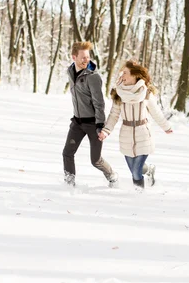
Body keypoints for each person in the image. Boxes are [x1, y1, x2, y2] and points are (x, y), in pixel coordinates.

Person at [98, 60, 172, 190]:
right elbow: (114, 115)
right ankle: (149, 170)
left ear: (134, 75)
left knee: (136, 172)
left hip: (143, 134)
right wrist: (106, 130)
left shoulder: (146, 93)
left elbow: (156, 113)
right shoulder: (118, 94)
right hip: (126, 135)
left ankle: (139, 196)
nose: (122, 75)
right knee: (134, 168)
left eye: (125, 72)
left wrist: (166, 127)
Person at [62, 41, 118, 187]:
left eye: (88, 57)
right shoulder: (70, 71)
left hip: (93, 123)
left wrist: (100, 125)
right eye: (83, 57)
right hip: (77, 123)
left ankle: (112, 176)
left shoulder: (93, 77)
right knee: (67, 153)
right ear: (74, 57)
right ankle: (69, 184)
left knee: (95, 160)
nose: (86, 60)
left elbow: (99, 103)